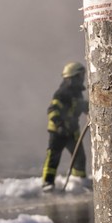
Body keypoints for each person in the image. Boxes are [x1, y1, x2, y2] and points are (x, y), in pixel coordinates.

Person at [41, 61, 88, 191]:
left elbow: (79, 106)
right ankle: (47, 183)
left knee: (79, 157)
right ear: (72, 77)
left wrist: (90, 109)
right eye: (80, 75)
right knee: (53, 157)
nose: (82, 78)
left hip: (72, 131)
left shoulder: (77, 93)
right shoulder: (61, 93)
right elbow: (52, 110)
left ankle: (79, 182)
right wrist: (60, 125)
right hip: (58, 131)